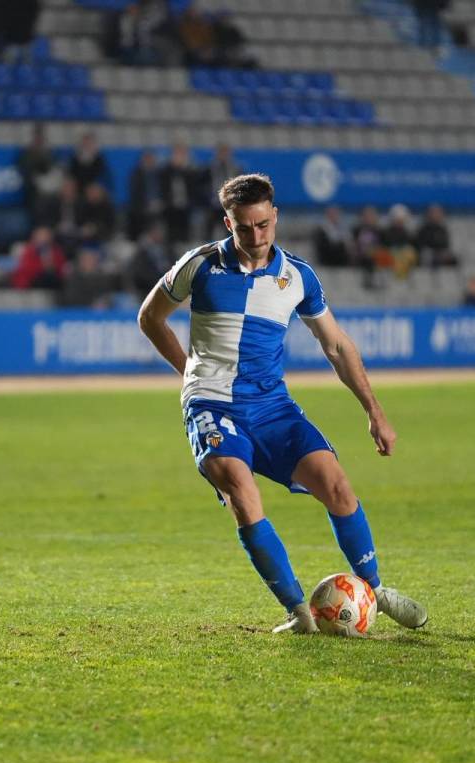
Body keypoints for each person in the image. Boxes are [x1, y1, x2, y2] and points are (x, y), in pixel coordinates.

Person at [136, 173, 428, 634]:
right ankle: (299, 611)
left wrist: (374, 411)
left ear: (275, 217)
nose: (255, 237)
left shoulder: (297, 277)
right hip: (213, 404)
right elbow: (149, 317)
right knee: (240, 489)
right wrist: (188, 373)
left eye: (263, 225)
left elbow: (336, 346)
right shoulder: (200, 265)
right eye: (243, 228)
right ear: (227, 222)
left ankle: (376, 590)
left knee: (335, 484)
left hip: (273, 407)